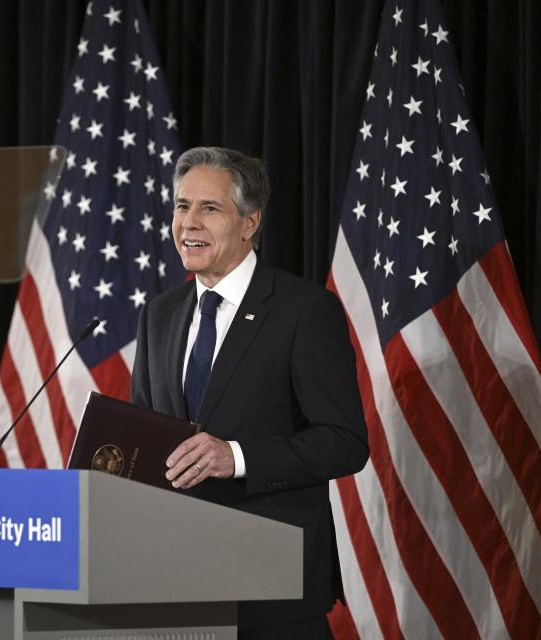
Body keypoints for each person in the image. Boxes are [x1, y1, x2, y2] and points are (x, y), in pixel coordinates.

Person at [130, 146, 369, 639]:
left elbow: (345, 441)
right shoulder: (160, 313)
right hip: (174, 584)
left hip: (270, 588)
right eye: (181, 206)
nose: (188, 223)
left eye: (209, 208)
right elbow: (143, 431)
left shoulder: (303, 310)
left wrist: (236, 457)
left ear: (249, 222)